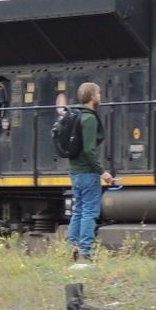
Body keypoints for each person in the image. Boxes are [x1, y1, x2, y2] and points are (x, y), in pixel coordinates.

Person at [66, 81, 112, 259]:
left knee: (78, 211)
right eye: (98, 94)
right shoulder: (89, 118)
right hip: (87, 173)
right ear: (92, 97)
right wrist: (102, 172)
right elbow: (89, 150)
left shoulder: (75, 115)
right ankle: (86, 251)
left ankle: (71, 249)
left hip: (75, 171)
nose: (100, 97)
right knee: (89, 212)